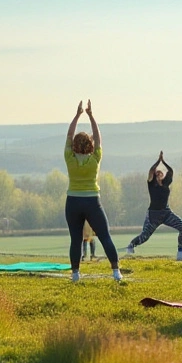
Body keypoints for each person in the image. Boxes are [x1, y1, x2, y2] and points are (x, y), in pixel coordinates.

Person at [64, 100, 122, 282]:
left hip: (73, 201)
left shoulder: (69, 157)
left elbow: (69, 133)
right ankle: (116, 272)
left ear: (74, 144)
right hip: (92, 202)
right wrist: (90, 115)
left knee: (75, 239)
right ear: (90, 144)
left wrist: (77, 115)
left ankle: (75, 274)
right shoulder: (95, 158)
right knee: (105, 236)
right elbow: (98, 136)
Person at [124, 151, 182, 261]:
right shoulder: (151, 184)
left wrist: (163, 161)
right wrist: (157, 162)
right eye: (157, 173)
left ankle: (180, 253)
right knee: (144, 236)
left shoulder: (166, 183)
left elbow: (170, 171)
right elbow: (151, 171)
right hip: (154, 215)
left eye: (160, 173)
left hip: (166, 213)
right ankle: (131, 245)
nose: (159, 174)